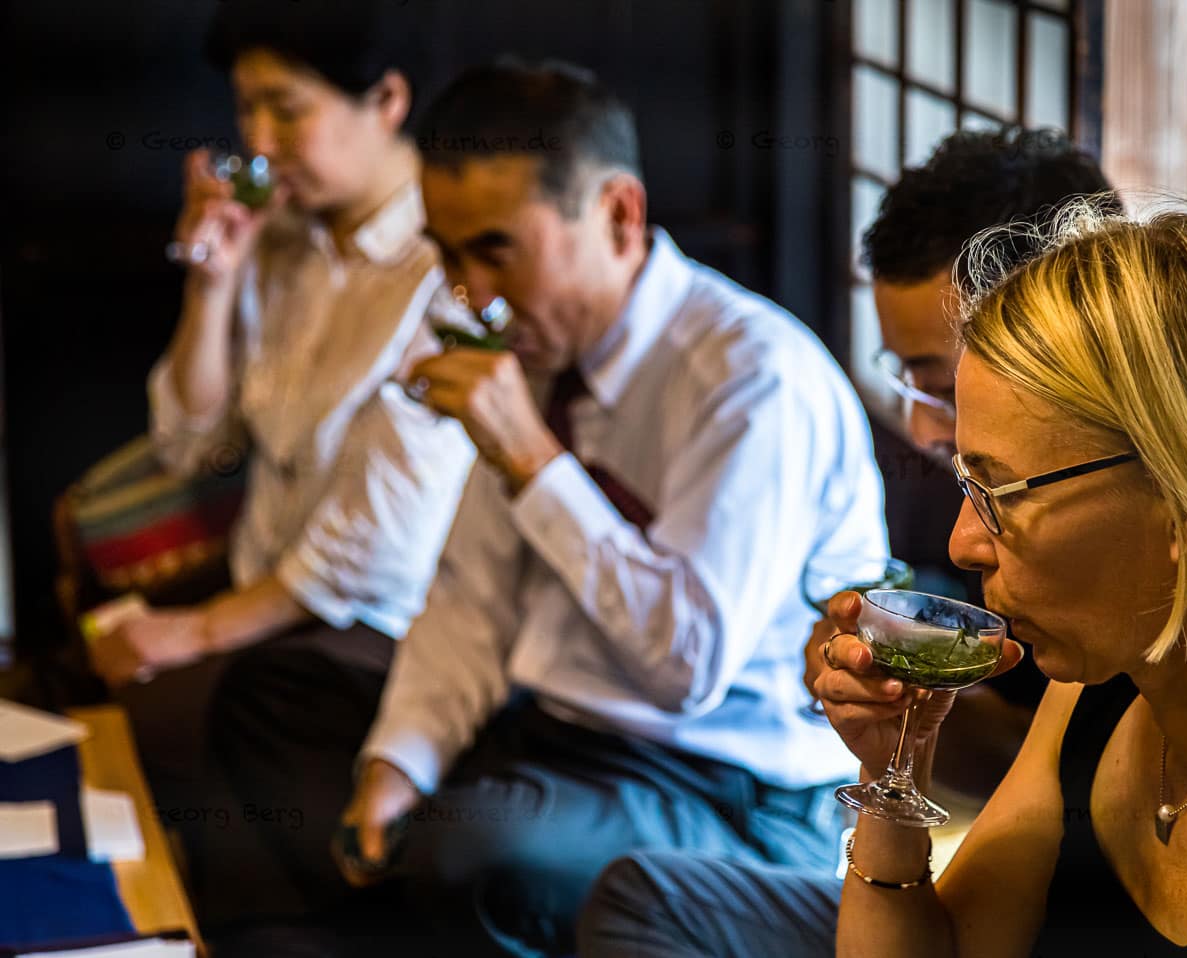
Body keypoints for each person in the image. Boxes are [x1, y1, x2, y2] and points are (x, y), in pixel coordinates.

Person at [208, 59, 889, 956]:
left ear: (617, 216)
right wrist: (394, 770)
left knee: (477, 848)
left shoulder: (751, 378)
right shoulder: (527, 352)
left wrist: (529, 455)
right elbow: (467, 600)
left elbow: (686, 670)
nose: (471, 297)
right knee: (273, 695)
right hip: (552, 733)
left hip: (730, 786)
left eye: (496, 250)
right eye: (447, 256)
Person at [588, 205, 1187, 957]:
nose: (965, 543)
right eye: (965, 485)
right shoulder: (1095, 697)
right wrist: (893, 772)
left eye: (999, 494)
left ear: (1185, 505)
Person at [85, 0, 475, 930]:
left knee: (154, 728)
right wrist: (213, 283)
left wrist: (199, 631)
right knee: (106, 689)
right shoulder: (287, 239)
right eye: (243, 110)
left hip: (380, 625)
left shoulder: (447, 264)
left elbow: (376, 551)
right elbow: (191, 445)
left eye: (287, 109)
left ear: (386, 100)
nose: (258, 141)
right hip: (272, 595)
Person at [857, 127, 1121, 797]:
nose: (921, 430)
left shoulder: (1113, 521)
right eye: (907, 383)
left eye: (943, 389)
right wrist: (898, 723)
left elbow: (1069, 787)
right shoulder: (999, 507)